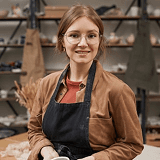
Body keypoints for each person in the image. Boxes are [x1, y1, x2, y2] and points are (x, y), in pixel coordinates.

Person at [27, 4, 144, 160]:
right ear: (62, 40)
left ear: (99, 40)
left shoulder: (117, 90)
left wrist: (95, 159)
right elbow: (35, 130)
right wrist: (46, 149)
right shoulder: (46, 84)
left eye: (91, 35)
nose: (83, 43)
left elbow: (132, 144)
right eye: (74, 35)